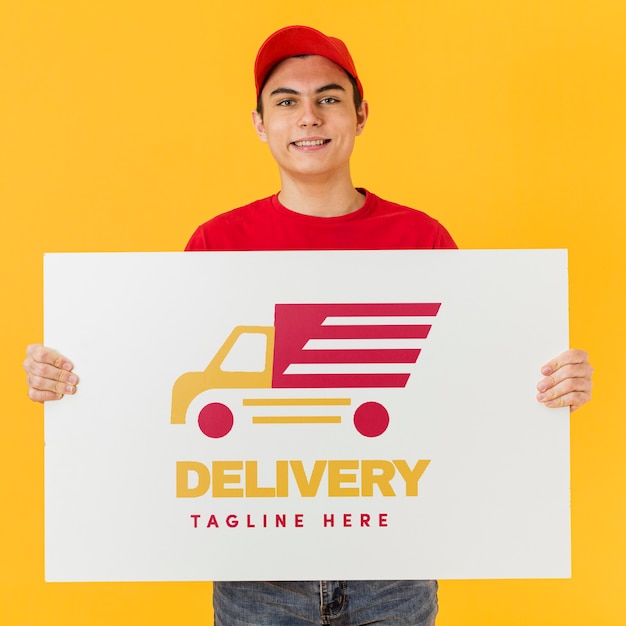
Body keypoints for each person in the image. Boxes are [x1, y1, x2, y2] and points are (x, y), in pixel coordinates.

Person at [24, 25, 593, 626]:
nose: (309, 117)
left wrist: (551, 384)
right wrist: (71, 378)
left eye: (328, 98)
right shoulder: (218, 245)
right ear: (260, 122)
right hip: (257, 573)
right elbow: (155, 381)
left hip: (394, 564)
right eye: (287, 102)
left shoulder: (421, 241)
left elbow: (465, 380)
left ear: (360, 113)